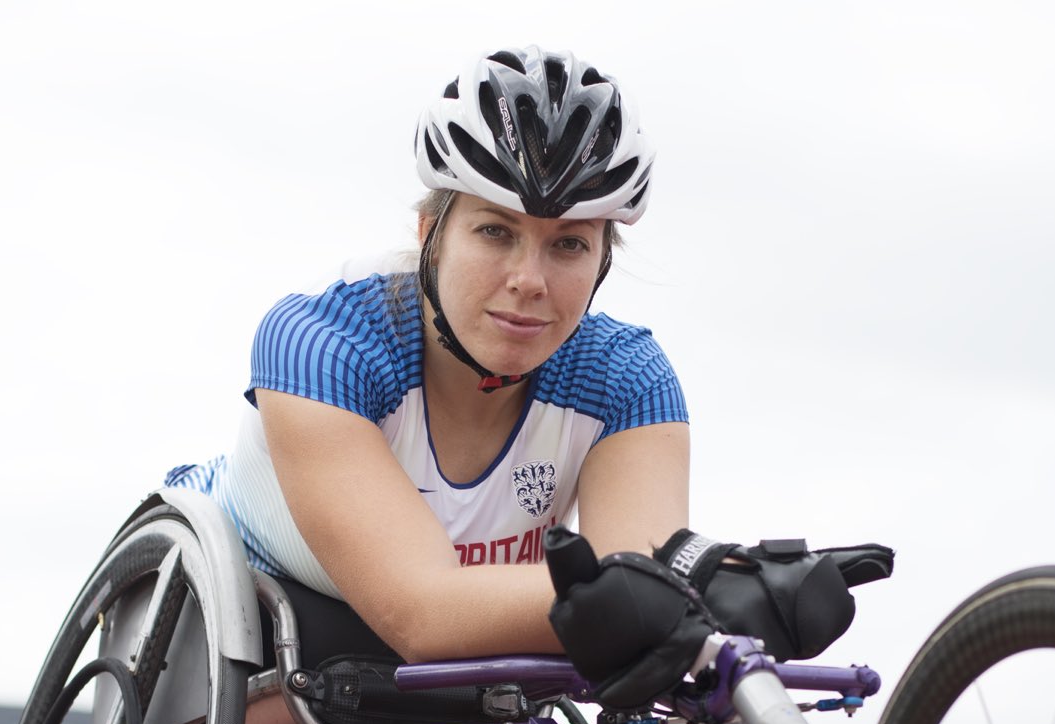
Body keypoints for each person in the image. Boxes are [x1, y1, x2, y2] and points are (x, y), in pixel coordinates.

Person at [166, 45, 687, 664]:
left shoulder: (626, 377)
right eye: (495, 231)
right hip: (232, 636)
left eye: (569, 245)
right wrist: (685, 589)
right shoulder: (323, 337)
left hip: (466, 677)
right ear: (430, 237)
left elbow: (638, 601)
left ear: (601, 261)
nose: (530, 280)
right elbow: (425, 614)